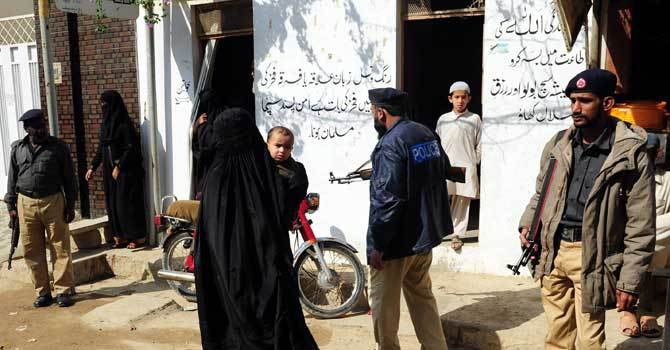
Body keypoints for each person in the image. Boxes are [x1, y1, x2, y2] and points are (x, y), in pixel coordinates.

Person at [518, 68, 656, 349]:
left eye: (585, 100)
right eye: (572, 101)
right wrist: (527, 224)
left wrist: (629, 282)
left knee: (590, 341)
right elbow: (541, 194)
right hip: (553, 250)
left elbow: (641, 226)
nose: (575, 108)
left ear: (607, 103)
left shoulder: (630, 153)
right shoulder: (559, 143)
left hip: (592, 255)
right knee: (557, 338)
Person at [194, 108, 318, 349]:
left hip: (225, 277)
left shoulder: (214, 178)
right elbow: (286, 207)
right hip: (267, 275)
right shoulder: (265, 174)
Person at [367, 87, 452, 350]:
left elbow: (389, 200)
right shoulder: (424, 132)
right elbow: (444, 169)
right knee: (422, 299)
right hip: (423, 238)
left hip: (396, 244)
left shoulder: (391, 143)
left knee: (384, 309)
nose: (372, 116)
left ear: (381, 113)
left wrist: (378, 245)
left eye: (372, 111)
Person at [4, 109, 77, 307]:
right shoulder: (18, 149)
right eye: (37, 127)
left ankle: (63, 290)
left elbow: (69, 178)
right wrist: (10, 205)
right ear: (28, 129)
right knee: (31, 249)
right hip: (25, 203)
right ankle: (43, 292)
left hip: (53, 201)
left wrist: (71, 204)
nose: (41, 129)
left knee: (60, 247)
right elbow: (12, 179)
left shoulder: (58, 147)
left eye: (43, 125)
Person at [618, 133, 669, 338]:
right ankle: (629, 311)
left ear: (658, 153)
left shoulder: (666, 180)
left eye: (649, 153)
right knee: (637, 243)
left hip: (654, 242)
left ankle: (645, 310)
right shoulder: (622, 176)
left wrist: (647, 234)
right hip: (624, 239)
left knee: (648, 243)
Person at [85, 90, 147, 249]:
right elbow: (101, 148)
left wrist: (119, 166)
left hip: (126, 171)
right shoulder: (105, 126)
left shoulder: (124, 125)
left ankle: (137, 237)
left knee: (126, 204)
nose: (103, 106)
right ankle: (121, 236)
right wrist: (93, 167)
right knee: (113, 204)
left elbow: (131, 148)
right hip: (109, 170)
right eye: (101, 103)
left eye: (105, 104)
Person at [435, 81, 481, 246]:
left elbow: (479, 144)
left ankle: (457, 235)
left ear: (469, 99)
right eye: (456, 97)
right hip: (447, 165)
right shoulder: (443, 119)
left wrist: (473, 162)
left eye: (463, 97)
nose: (460, 100)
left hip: (466, 165)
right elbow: (437, 143)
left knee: (462, 200)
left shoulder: (474, 119)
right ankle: (438, 232)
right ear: (450, 99)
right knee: (442, 197)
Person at [266, 126, 309, 228]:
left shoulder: (297, 169)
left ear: (292, 149)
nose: (282, 150)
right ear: (267, 145)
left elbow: (299, 195)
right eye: (278, 145)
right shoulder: (260, 166)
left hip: (284, 221)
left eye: (287, 147)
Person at [191, 89, 227, 198]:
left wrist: (197, 127)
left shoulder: (206, 126)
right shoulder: (224, 120)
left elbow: (201, 150)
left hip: (210, 174)